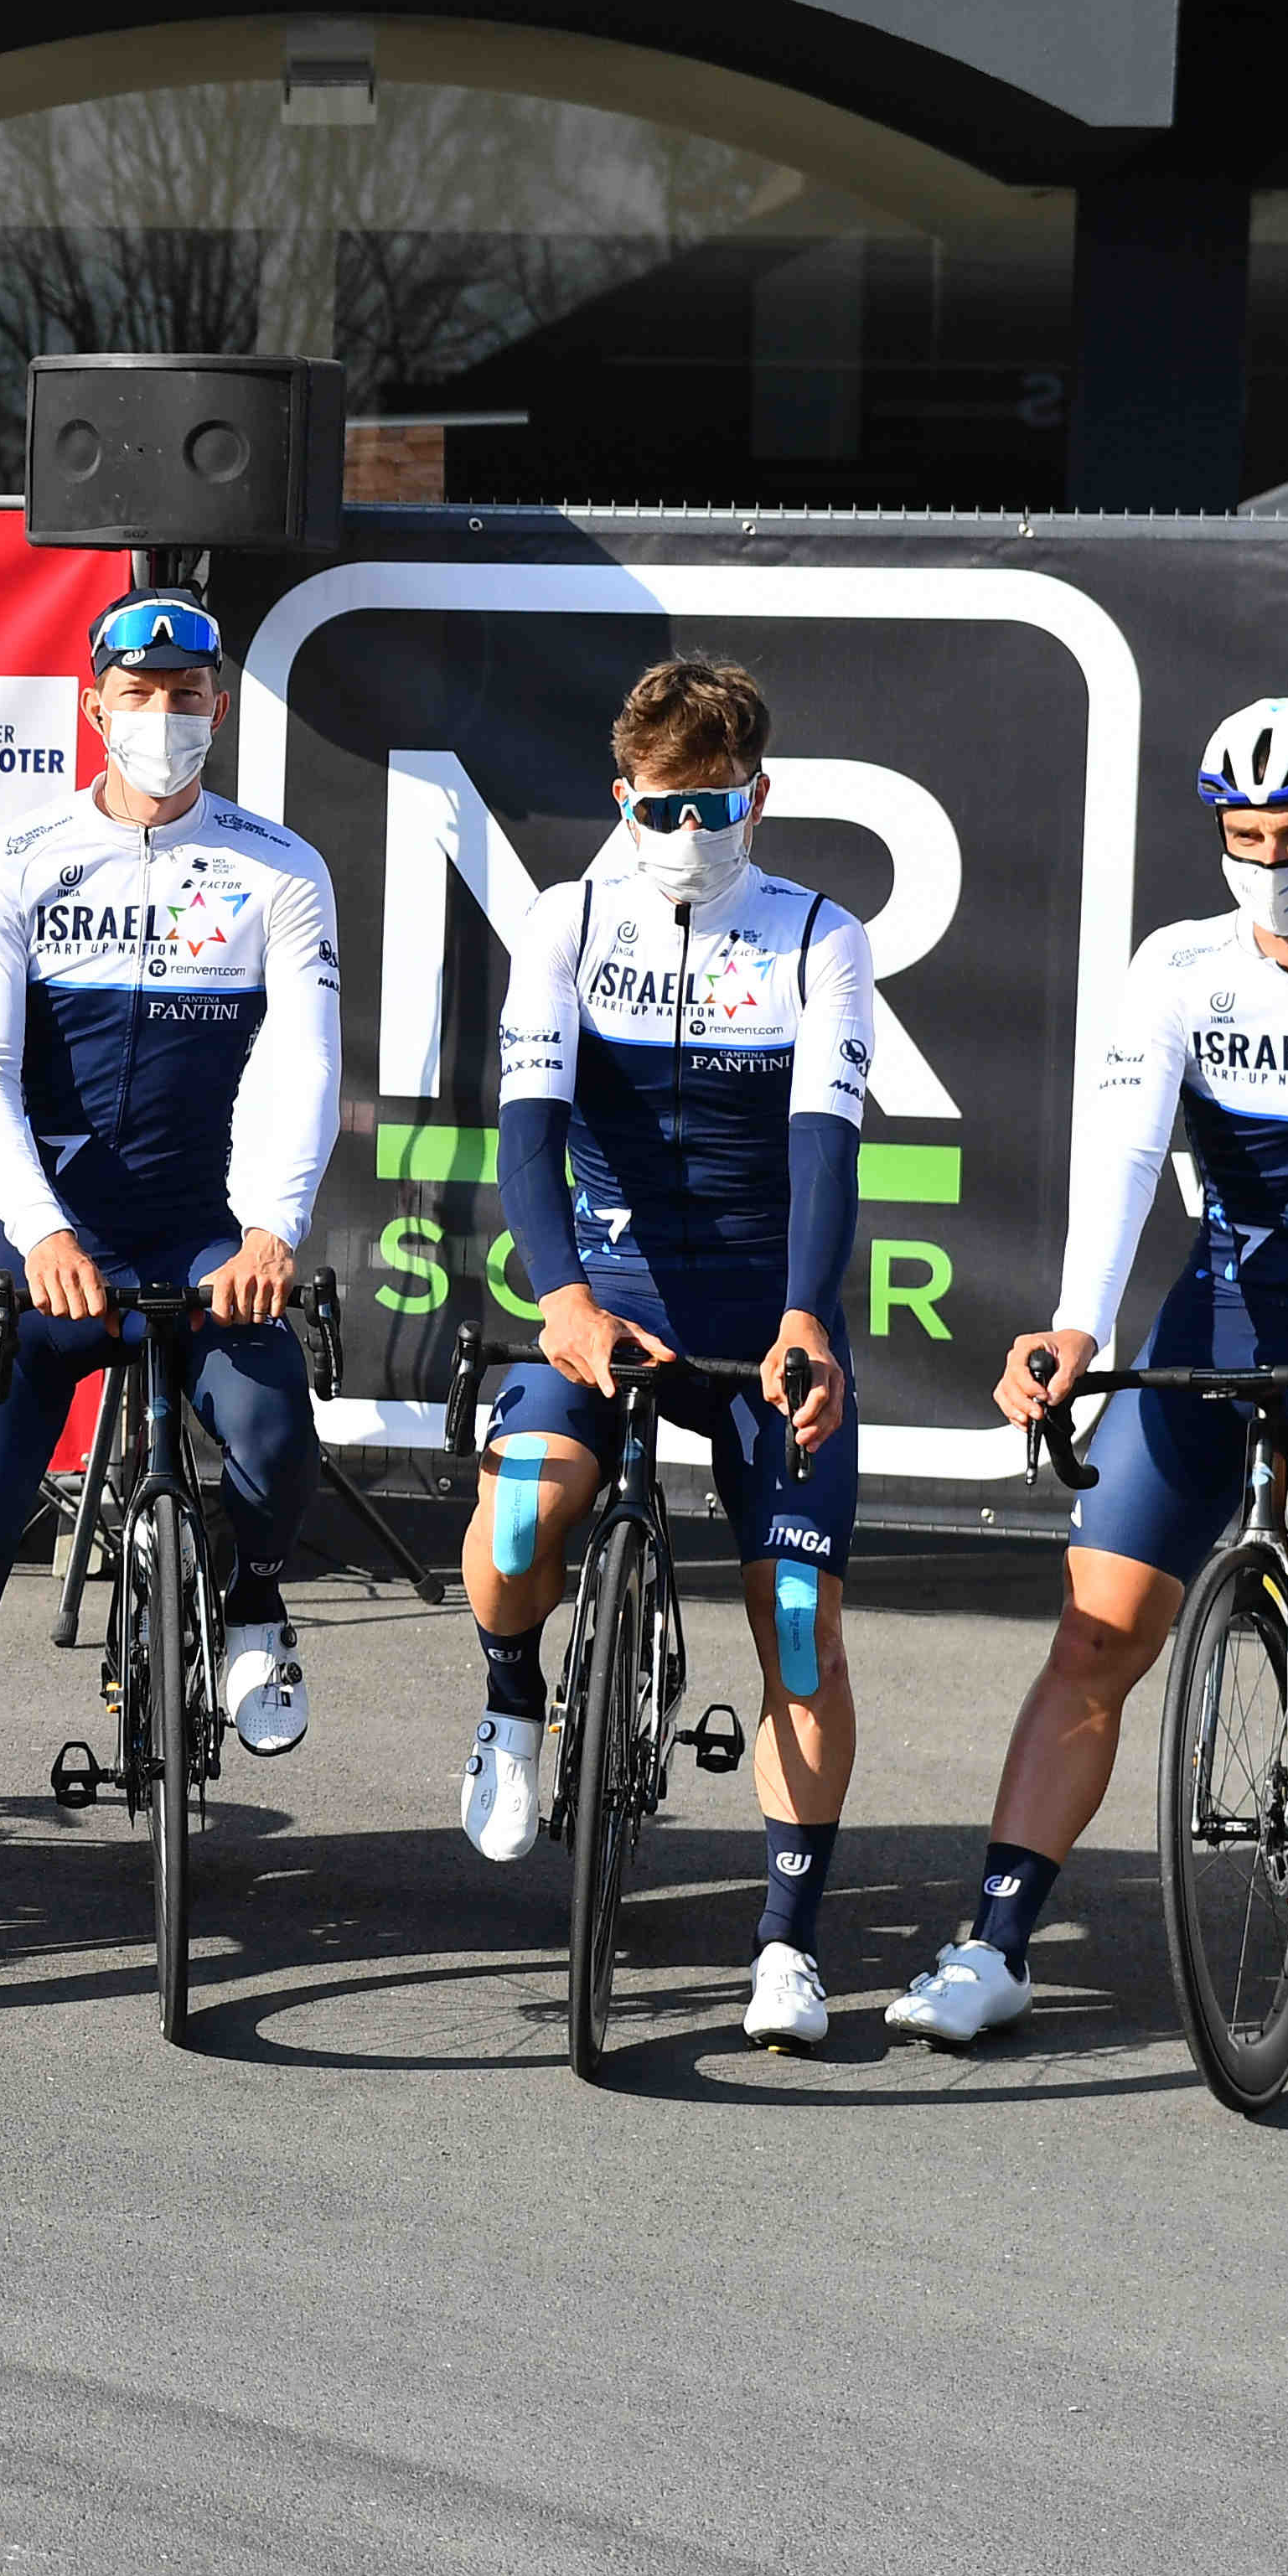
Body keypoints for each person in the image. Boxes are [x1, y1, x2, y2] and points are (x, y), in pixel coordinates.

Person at [892, 696, 1288, 2045]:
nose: (1274, 861)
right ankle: (993, 1943)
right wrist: (1076, 1326)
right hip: (1222, 1306)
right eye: (1247, 836)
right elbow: (1123, 1149)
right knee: (1097, 1631)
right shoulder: (1178, 963)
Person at [0, 589, 340, 2027]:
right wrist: (38, 1232)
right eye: (139, 691)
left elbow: (304, 1061)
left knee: (277, 1441)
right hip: (44, 1244)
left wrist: (273, 1228)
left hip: (205, 1232)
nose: (165, 714)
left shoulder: (281, 867)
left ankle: (254, 1597)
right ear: (93, 702)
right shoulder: (18, 860)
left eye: (189, 692)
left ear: (219, 706)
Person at [454, 656, 872, 2054]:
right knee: (523, 1516)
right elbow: (527, 1130)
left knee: (799, 1627)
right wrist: (565, 1300)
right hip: (614, 1294)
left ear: (761, 797)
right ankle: (513, 1699)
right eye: (662, 808)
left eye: (717, 806)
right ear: (621, 798)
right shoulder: (568, 920)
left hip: (764, 1315)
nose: (690, 833)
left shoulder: (821, 936)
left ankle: (788, 1944)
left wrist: (805, 1319)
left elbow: (826, 1151)